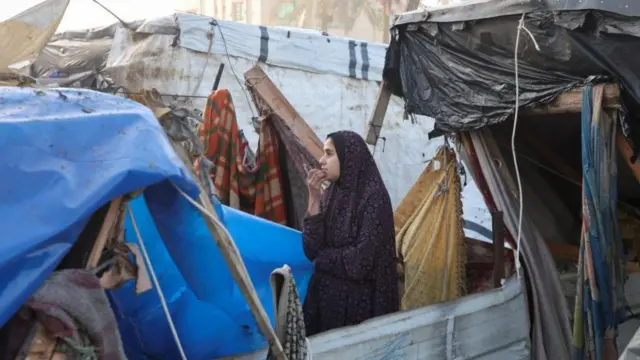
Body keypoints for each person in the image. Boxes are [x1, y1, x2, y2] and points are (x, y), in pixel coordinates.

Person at [301, 130, 399, 336]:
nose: (321, 160)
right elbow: (311, 249)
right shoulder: (331, 193)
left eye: (329, 154)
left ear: (349, 157)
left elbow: (361, 261)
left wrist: (323, 259)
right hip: (325, 305)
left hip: (358, 312)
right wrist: (314, 198)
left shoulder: (374, 198)